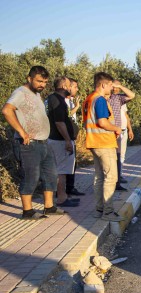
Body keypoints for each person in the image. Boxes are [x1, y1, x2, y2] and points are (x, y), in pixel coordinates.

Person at [2, 66, 65, 219]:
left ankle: (49, 207)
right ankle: (27, 211)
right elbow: (6, 110)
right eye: (39, 81)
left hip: (43, 142)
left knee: (51, 175)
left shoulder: (36, 94)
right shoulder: (20, 93)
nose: (42, 85)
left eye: (45, 82)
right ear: (29, 78)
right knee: (32, 176)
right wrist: (22, 132)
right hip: (28, 144)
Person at [83, 72, 124, 221]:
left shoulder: (88, 99)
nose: (112, 88)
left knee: (99, 177)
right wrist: (116, 129)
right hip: (104, 143)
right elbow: (102, 122)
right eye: (111, 85)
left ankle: (99, 210)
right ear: (103, 85)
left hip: (94, 142)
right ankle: (108, 212)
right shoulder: (100, 100)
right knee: (111, 177)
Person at [46, 76, 79, 207]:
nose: (72, 88)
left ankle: (62, 196)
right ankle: (61, 198)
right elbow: (59, 123)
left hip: (55, 139)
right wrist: (67, 140)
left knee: (60, 170)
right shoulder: (57, 100)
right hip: (59, 141)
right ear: (65, 87)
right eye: (70, 85)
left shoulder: (52, 98)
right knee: (61, 171)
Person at [107, 80, 135, 191]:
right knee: (108, 159)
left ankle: (117, 183)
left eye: (116, 86)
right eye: (113, 86)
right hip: (107, 132)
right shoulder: (102, 98)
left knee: (118, 158)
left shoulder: (118, 98)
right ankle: (108, 184)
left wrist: (121, 86)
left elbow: (132, 95)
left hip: (118, 133)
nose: (114, 88)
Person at [65, 78, 85, 196]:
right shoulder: (62, 100)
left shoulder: (71, 100)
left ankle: (70, 187)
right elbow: (66, 115)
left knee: (72, 164)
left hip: (72, 137)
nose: (77, 89)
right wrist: (77, 107)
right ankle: (64, 189)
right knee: (65, 165)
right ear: (69, 87)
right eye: (75, 87)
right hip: (65, 138)